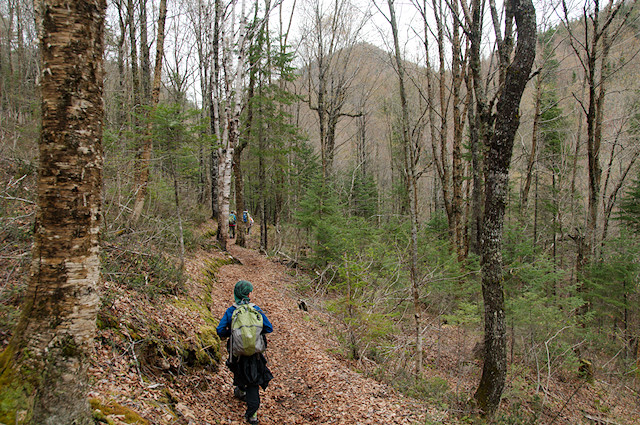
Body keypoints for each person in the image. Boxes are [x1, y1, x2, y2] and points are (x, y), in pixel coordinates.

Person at [217, 280, 273, 424]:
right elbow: (268, 327)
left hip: (237, 354)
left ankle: (241, 390)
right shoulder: (256, 309)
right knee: (253, 382)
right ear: (248, 294)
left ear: (236, 293)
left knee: (237, 369)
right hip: (255, 353)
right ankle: (252, 415)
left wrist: (233, 334)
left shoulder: (231, 311)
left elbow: (220, 330)